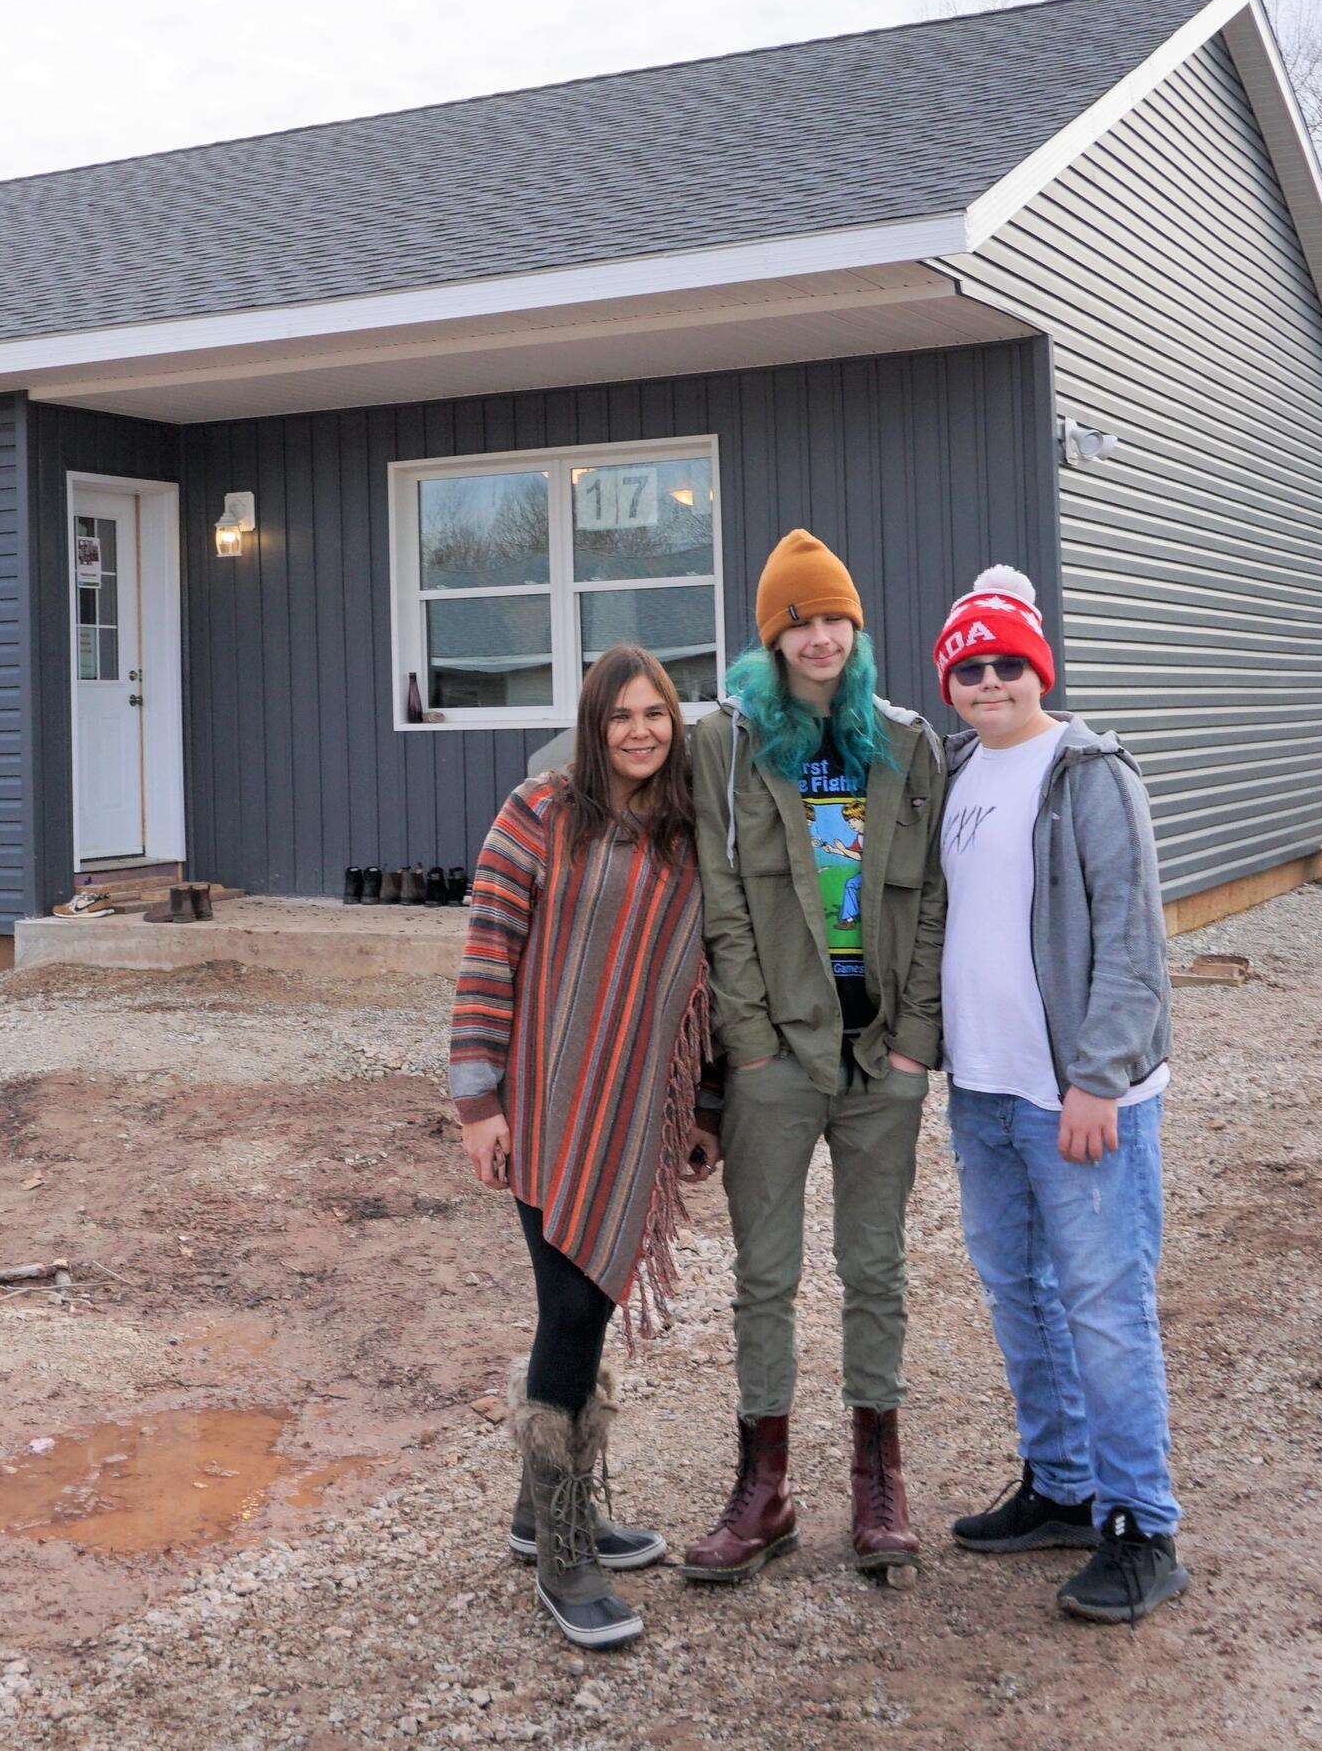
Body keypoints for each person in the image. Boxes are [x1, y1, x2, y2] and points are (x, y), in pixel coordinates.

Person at [684, 531, 946, 1585]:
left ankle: (878, 1484)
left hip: (879, 1058)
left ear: (858, 627)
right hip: (778, 1062)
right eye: (800, 619)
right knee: (766, 1274)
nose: (822, 635)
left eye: (835, 616)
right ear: (773, 635)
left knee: (875, 1269)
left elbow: (929, 904)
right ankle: (765, 1489)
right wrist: (747, 1047)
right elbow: (722, 902)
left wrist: (916, 1044)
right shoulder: (731, 745)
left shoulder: (906, 743)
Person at [929, 565, 1188, 1623]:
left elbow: (1131, 938)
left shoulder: (1088, 772)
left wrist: (1099, 1080)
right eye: (969, 667)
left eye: (1006, 664)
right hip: (983, 1090)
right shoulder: (954, 771)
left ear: (1038, 669)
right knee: (1015, 1288)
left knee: (1104, 1305)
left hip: (1077, 1099)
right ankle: (1063, 1487)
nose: (989, 681)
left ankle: (1143, 1527)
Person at [450, 645, 721, 1650]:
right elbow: (488, 957)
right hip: (544, 1105)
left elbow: (704, 992)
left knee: (586, 1305)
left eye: (658, 714)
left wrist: (705, 1110)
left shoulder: (689, 837)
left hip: (633, 1116)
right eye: (623, 716)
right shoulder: (538, 814)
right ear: (593, 723)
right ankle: (566, 1556)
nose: (642, 732)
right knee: (568, 1309)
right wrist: (478, 1104)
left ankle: (541, 1514)